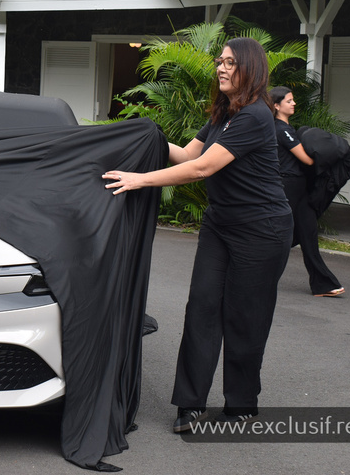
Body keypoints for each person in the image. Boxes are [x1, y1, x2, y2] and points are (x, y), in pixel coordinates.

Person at [103, 37, 293, 432]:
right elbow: (189, 155)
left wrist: (141, 180)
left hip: (262, 229)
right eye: (219, 62)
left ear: (250, 69)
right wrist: (147, 136)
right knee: (202, 309)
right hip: (221, 224)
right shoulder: (225, 115)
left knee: (245, 316)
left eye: (230, 63)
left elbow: (203, 169)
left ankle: (241, 404)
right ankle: (190, 405)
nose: (221, 68)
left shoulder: (256, 116)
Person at [271, 86, 345, 297]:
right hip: (289, 187)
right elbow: (307, 159)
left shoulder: (286, 128)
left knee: (308, 233)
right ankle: (256, 276)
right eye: (289, 101)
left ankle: (324, 284)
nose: (294, 103)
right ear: (277, 106)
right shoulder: (281, 129)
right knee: (279, 234)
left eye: (293, 100)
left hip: (298, 187)